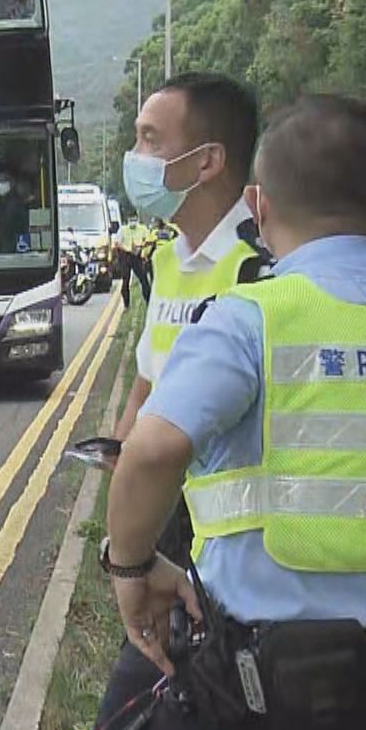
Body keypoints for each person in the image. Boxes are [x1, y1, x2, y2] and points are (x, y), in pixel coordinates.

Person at [65, 94, 366, 730]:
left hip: (259, 698)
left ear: (258, 208)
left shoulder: (248, 322)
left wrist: (131, 569)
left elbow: (150, 451)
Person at [114, 72, 265, 563]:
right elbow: (146, 384)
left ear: (207, 161)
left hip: (233, 545)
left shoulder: (260, 265)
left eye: (150, 140)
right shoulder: (167, 260)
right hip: (163, 525)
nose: (134, 157)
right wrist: (120, 458)